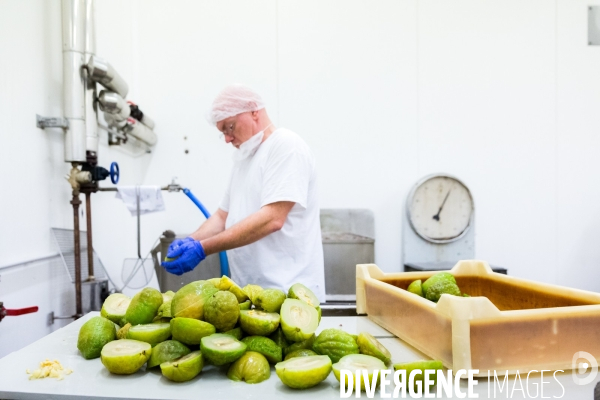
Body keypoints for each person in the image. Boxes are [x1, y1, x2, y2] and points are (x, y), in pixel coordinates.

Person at [162, 84, 326, 302]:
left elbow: (273, 219)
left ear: (253, 110)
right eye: (223, 133)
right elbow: (222, 217)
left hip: (289, 294)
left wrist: (202, 248)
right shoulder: (244, 160)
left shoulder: (286, 145)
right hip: (253, 293)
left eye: (229, 127)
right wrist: (190, 240)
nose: (228, 139)